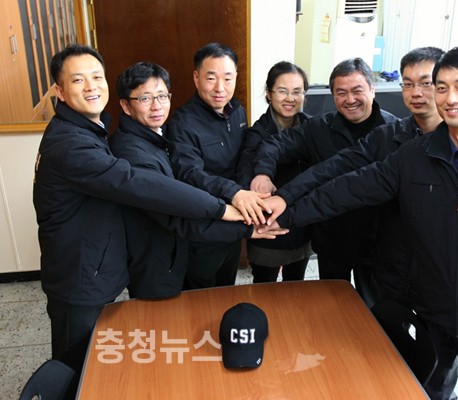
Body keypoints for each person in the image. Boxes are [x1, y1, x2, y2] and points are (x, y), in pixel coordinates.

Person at [261, 44, 458, 399]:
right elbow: (347, 189)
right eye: (442, 87)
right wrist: (285, 213)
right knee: (424, 387)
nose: (449, 98)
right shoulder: (414, 156)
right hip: (430, 308)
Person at [32, 44, 251, 394]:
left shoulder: (91, 130)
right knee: (74, 368)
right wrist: (221, 208)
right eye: (78, 80)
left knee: (94, 359)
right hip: (79, 276)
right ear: (59, 90)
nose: (91, 87)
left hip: (95, 266)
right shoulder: (73, 144)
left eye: (97, 77)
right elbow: (138, 184)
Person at [270, 46, 445, 301]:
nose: (416, 92)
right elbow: (335, 174)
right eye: (408, 84)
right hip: (360, 247)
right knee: (348, 309)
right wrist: (284, 200)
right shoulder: (389, 137)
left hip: (430, 264)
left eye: (425, 83)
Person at [109, 62, 287, 298]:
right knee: (177, 314)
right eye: (145, 98)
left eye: (162, 96)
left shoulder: (156, 135)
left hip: (180, 248)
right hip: (157, 264)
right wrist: (234, 218)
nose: (157, 106)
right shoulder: (134, 154)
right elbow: (177, 214)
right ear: (126, 106)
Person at [249, 57, 398, 306]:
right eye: (341, 93)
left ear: (372, 89)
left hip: (378, 243)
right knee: (331, 306)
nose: (350, 99)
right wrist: (263, 173)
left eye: (357, 90)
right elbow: (274, 144)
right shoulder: (318, 128)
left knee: (377, 311)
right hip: (332, 240)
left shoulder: (394, 131)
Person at [167, 42, 269, 289]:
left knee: (227, 285)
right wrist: (234, 192)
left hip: (236, 220)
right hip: (205, 225)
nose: (220, 88)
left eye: (227, 78)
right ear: (196, 78)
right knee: (201, 292)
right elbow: (189, 173)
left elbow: (244, 155)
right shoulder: (182, 123)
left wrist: (246, 190)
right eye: (211, 78)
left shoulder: (237, 111)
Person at [236, 61, 312, 283]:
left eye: (297, 92)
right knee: (265, 286)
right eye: (282, 91)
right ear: (269, 94)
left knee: (296, 284)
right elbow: (245, 173)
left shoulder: (312, 127)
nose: (290, 98)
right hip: (268, 224)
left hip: (302, 222)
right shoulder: (257, 133)